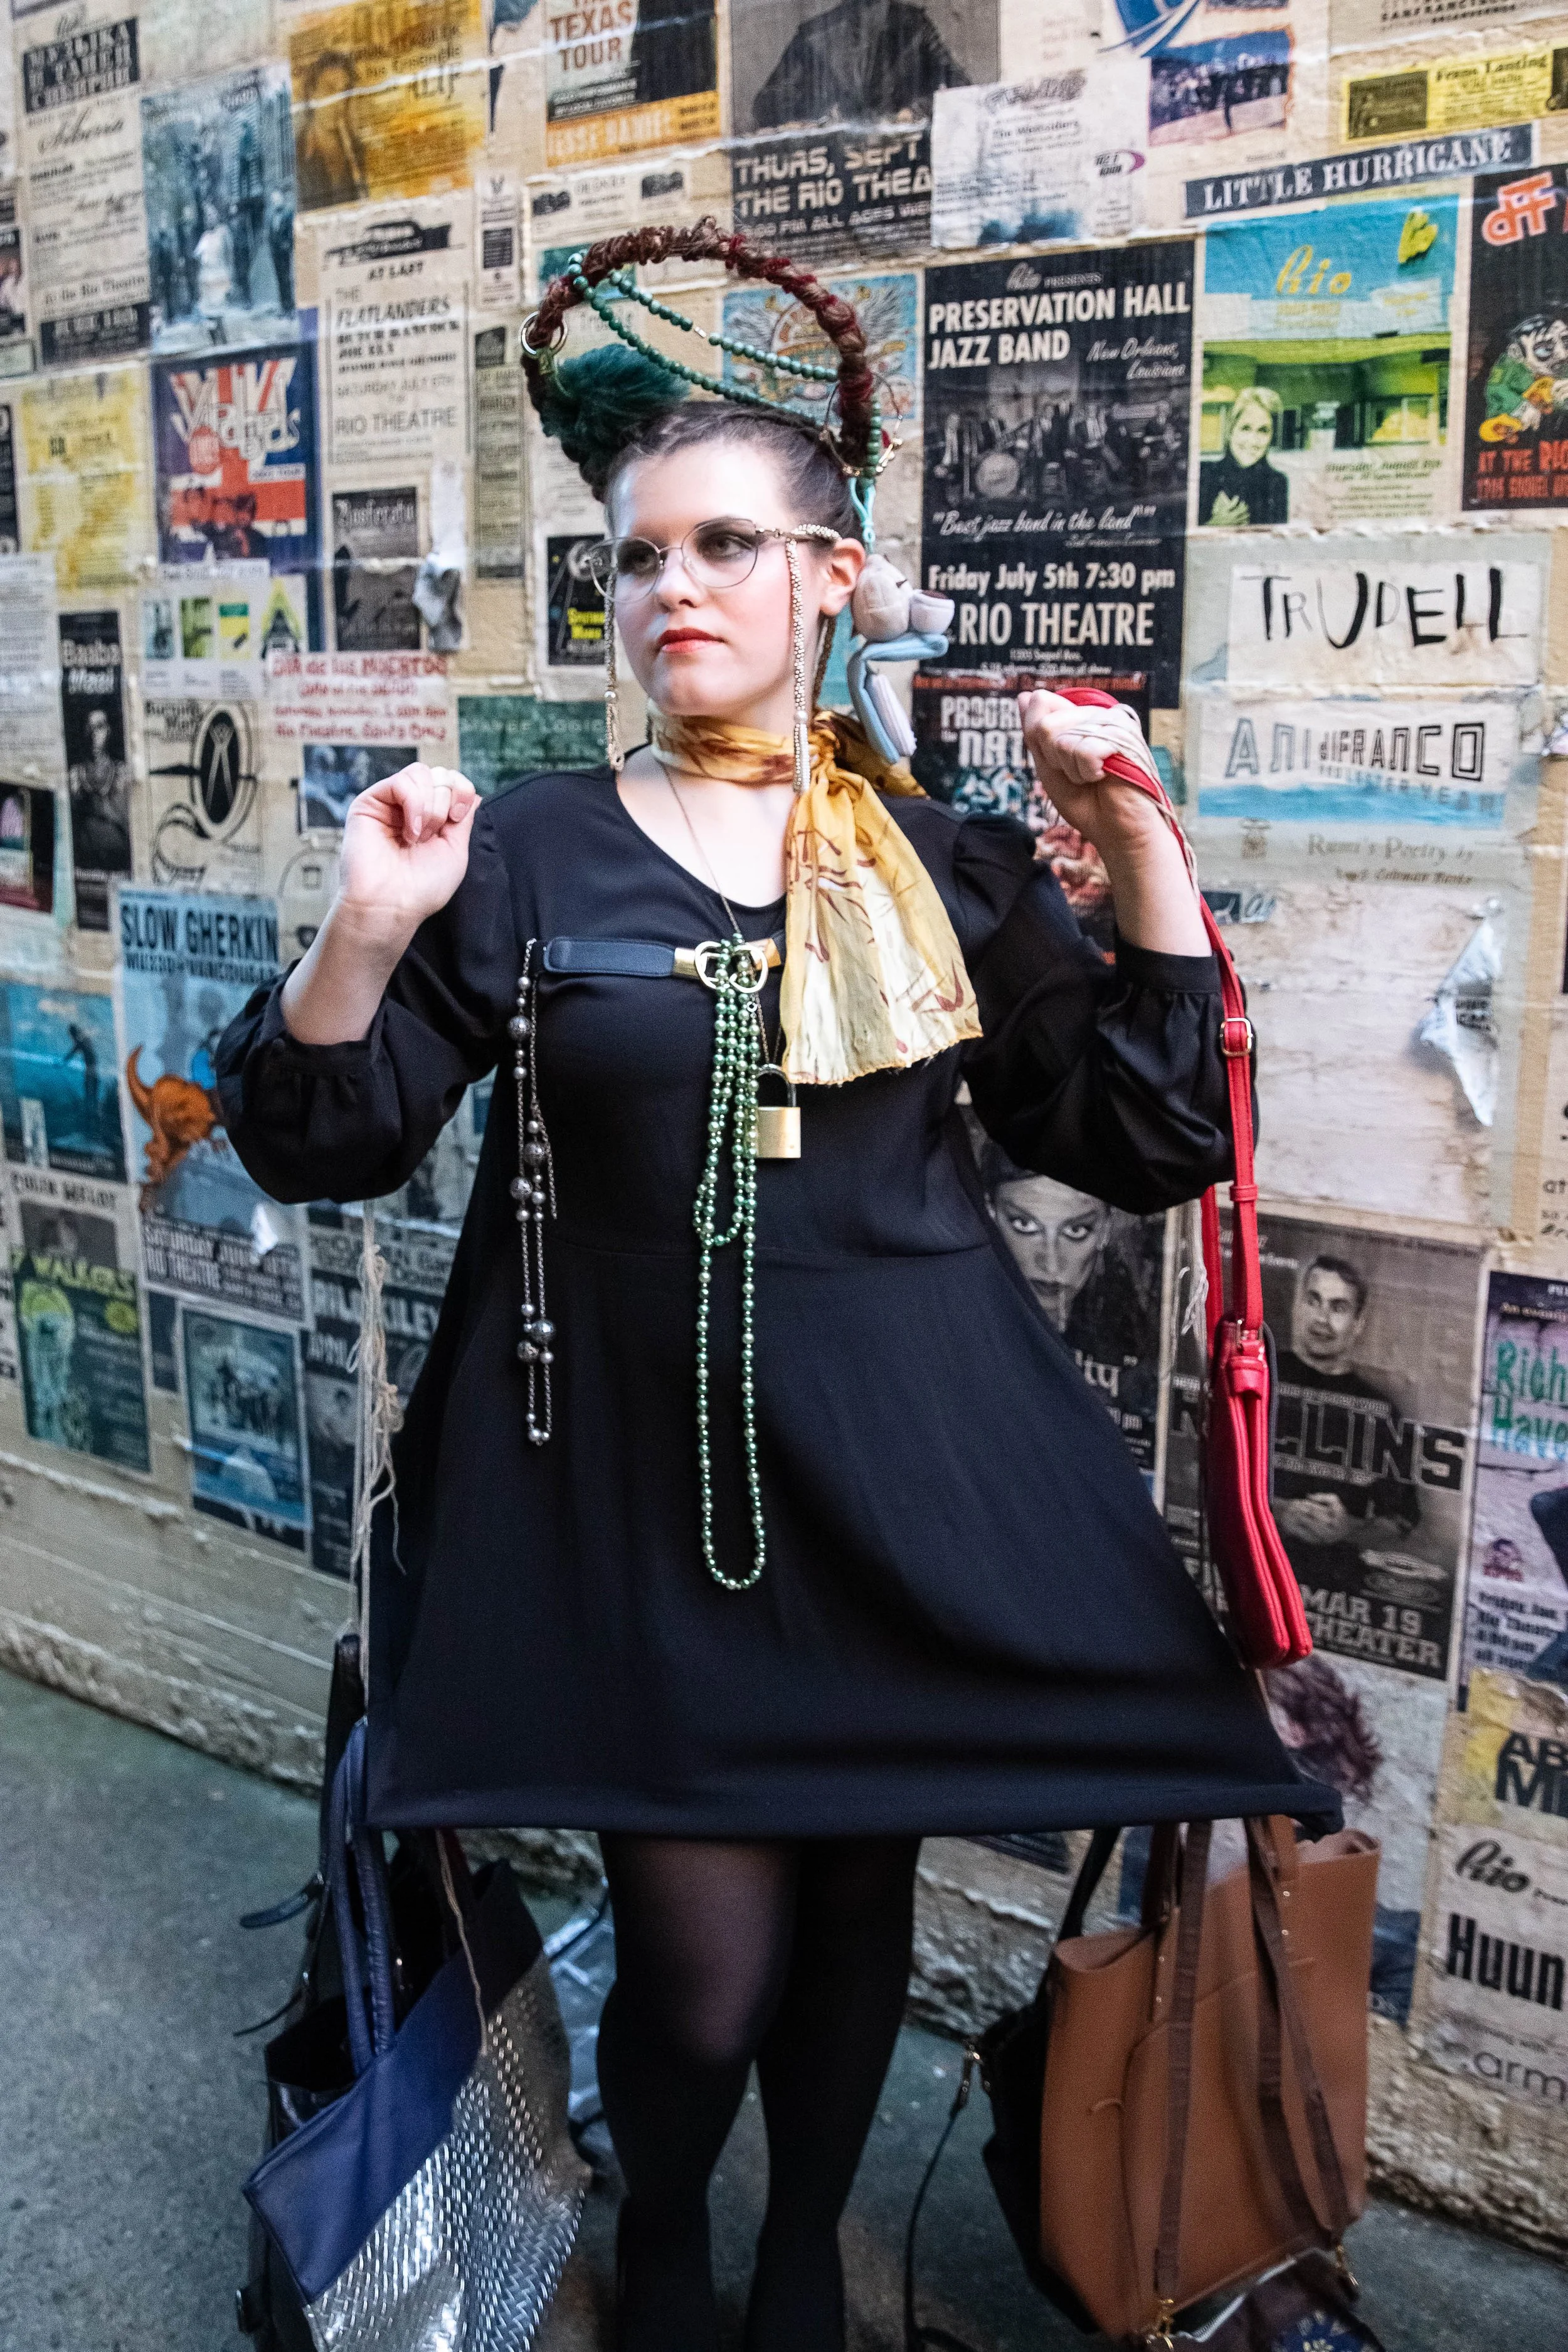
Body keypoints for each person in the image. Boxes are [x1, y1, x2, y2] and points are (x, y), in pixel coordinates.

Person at [216, 275, 1332, 2352]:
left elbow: (1148, 1131)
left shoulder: (945, 863)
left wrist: (1129, 842)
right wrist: (361, 932)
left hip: (900, 1482)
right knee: (705, 1960)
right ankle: (665, 2249)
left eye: (724, 544)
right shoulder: (528, 850)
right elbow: (326, 1138)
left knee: (852, 1926)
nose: (672, 589)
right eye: (639, 558)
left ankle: (803, 2250)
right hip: (635, 1496)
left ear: (835, 577)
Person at [1272, 1252, 1421, 1571]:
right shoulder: (1257, 1375)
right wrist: (1277, 1511)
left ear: (1358, 1325)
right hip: (1253, 1559)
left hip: (1337, 1579)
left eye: (1338, 1308)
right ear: (1297, 1307)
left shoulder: (1382, 1410)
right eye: (1313, 1301)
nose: (1322, 1319)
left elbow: (1401, 1519)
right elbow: (1194, 1468)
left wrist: (1350, 1529)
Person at [752, 0, 967, 129]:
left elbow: (960, 87)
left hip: (899, 153)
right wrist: (815, 117)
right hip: (841, 161)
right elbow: (767, 106)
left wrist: (914, 112)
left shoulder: (914, 25)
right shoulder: (814, 37)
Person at [1197, 384, 1289, 527]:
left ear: (1272, 436)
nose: (1253, 440)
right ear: (1230, 430)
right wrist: (1214, 525)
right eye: (1246, 428)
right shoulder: (1203, 473)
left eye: (1263, 430)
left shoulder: (1277, 482)